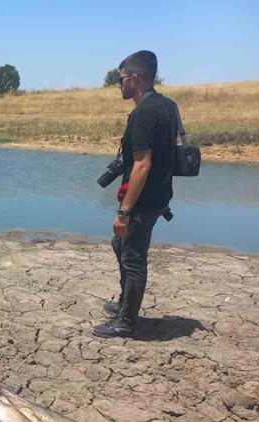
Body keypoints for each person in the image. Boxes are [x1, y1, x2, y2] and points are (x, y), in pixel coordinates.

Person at [93, 50, 179, 338]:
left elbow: (143, 164)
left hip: (143, 200)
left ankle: (126, 322)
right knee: (121, 246)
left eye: (121, 79)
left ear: (135, 78)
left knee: (133, 257)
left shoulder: (144, 112)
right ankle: (123, 306)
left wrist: (124, 211)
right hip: (158, 195)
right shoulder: (167, 105)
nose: (118, 85)